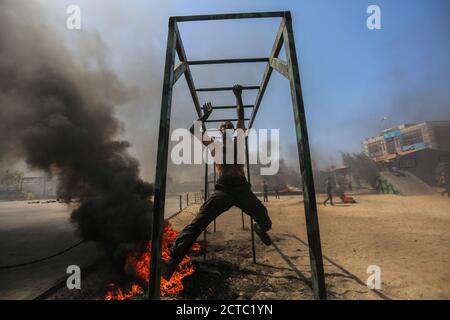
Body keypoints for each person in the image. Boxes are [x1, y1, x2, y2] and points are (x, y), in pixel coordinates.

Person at [161, 85, 272, 281]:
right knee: (197, 225)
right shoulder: (215, 145)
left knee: (265, 220)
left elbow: (239, 116)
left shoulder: (239, 140)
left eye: (230, 127)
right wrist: (205, 116)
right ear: (220, 132)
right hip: (223, 190)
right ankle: (171, 263)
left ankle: (259, 228)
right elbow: (193, 130)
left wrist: (238, 96)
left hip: (242, 188)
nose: (228, 128)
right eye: (224, 127)